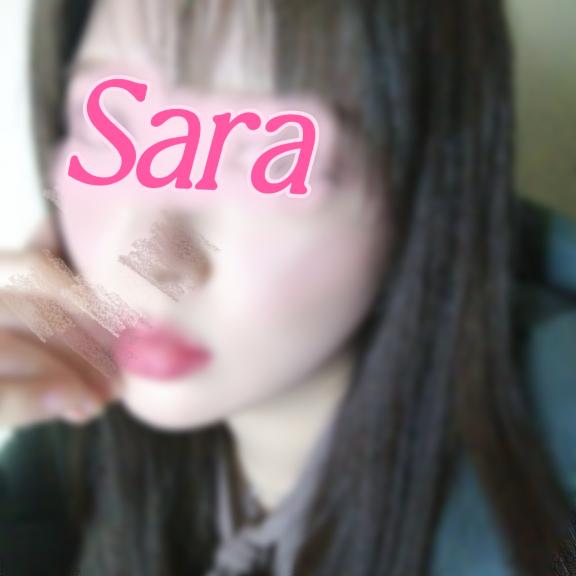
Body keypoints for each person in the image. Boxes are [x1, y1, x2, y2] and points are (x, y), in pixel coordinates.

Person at [0, 0, 575, 574]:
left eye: (270, 161)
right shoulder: (69, 443)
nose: (149, 259)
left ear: (425, 186)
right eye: (109, 128)